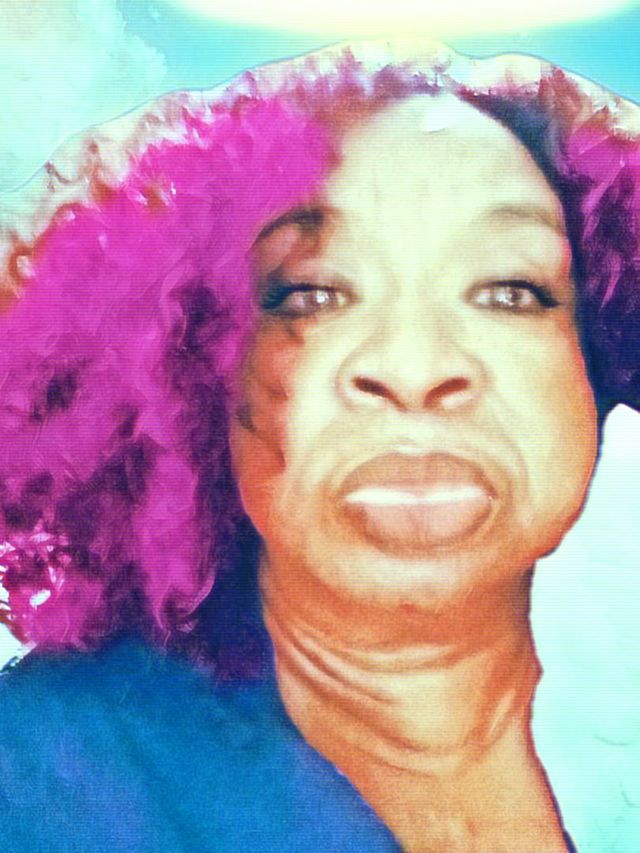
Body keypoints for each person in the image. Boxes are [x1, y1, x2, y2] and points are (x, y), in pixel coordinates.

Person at [0, 40, 638, 852]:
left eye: (510, 289)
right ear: (193, 374)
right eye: (313, 294)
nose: (415, 368)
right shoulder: (37, 783)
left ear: (598, 362)